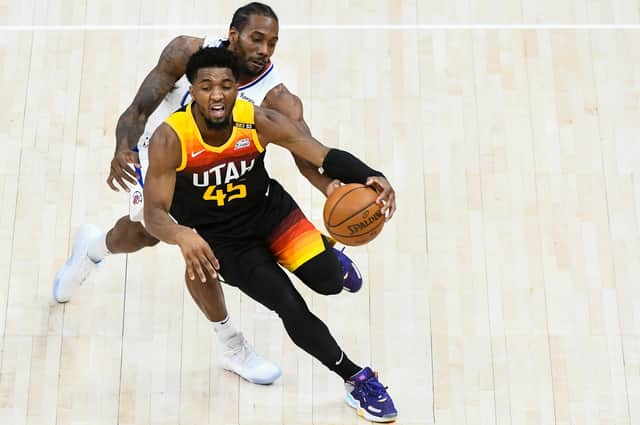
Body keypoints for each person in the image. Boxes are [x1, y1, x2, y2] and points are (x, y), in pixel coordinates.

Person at [53, 2, 364, 385]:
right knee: (144, 233)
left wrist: (331, 189)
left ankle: (235, 337)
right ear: (233, 35)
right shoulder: (186, 53)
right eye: (256, 39)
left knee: (203, 249)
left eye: (272, 43)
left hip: (218, 175)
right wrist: (124, 147)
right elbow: (138, 109)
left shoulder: (276, 99)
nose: (264, 50)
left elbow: (305, 152)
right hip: (165, 153)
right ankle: (93, 249)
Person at [144, 46, 398, 423]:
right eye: (206, 86)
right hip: (225, 241)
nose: (217, 94)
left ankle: (329, 257)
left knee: (329, 283)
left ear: (236, 89)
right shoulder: (172, 138)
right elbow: (153, 214)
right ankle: (355, 379)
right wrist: (181, 234)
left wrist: (371, 176)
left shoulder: (255, 120)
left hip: (271, 212)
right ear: (192, 92)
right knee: (289, 305)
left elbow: (320, 154)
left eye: (226, 85)